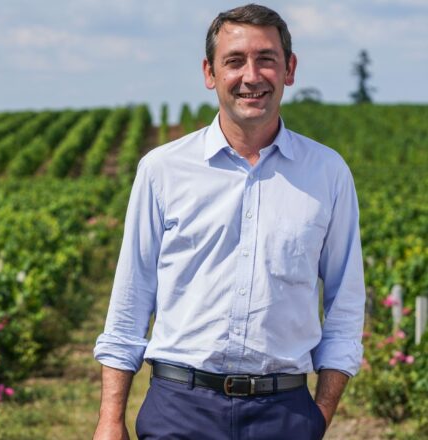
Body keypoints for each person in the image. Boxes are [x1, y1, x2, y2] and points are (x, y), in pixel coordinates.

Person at [93, 4, 365, 439]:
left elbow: (345, 304)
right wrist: (109, 420)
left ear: (289, 69)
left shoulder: (328, 174)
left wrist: (320, 414)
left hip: (285, 413)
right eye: (234, 61)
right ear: (210, 73)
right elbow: (130, 301)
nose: (251, 76)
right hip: (179, 408)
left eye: (267, 59)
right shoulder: (162, 170)